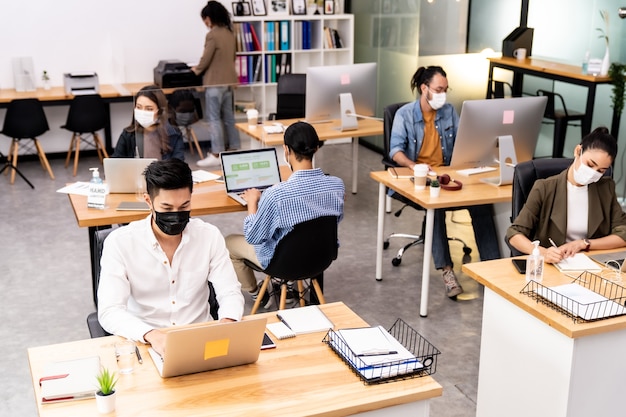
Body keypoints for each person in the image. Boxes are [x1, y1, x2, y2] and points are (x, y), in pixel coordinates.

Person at [98, 158, 244, 355]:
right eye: (167, 209)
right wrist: (152, 334)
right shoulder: (120, 243)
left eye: (184, 206)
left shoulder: (208, 236)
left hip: (201, 340)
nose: (176, 215)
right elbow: (110, 311)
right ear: (148, 201)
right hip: (146, 342)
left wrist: (228, 322)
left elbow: (230, 292)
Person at [389, 65, 501, 299]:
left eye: (445, 89)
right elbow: (395, 151)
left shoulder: (449, 112)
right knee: (437, 205)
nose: (443, 94)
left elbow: (464, 141)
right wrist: (413, 165)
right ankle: (448, 272)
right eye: (438, 89)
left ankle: (493, 271)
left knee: (481, 203)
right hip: (419, 177)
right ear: (424, 88)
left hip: (448, 174)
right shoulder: (405, 115)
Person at [225, 122, 344, 307]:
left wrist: (252, 203)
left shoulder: (276, 194)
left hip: (282, 264)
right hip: (321, 258)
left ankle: (257, 294)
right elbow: (333, 222)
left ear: (286, 150)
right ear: (317, 149)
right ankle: (287, 288)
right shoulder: (336, 185)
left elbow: (254, 237)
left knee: (230, 243)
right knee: (287, 231)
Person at [507, 127, 626, 263]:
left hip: (591, 265)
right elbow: (514, 234)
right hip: (554, 265)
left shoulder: (606, 187)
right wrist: (543, 253)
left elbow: (623, 233)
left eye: (601, 170)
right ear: (577, 151)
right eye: (590, 164)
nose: (593, 173)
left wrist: (584, 243)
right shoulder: (545, 188)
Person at [192, 1, 240, 167]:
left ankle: (216, 153)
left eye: (205, 19)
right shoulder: (229, 33)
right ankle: (234, 148)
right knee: (228, 117)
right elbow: (232, 57)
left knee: (214, 119)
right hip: (229, 82)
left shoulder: (212, 35)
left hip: (214, 84)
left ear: (209, 18)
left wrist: (196, 70)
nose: (205, 23)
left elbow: (206, 59)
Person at [111, 85, 185, 160]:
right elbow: (115, 162)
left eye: (149, 109)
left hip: (164, 172)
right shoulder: (128, 134)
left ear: (160, 111)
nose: (143, 112)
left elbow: (179, 166)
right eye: (139, 107)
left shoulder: (174, 134)